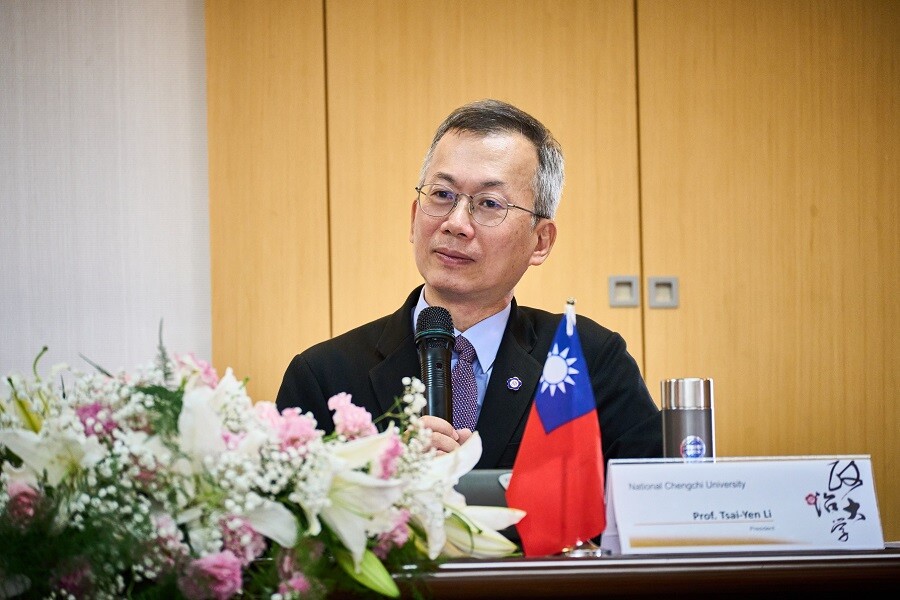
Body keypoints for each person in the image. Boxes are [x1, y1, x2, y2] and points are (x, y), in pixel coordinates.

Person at [276, 99, 662, 468]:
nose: (456, 223)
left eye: (490, 203)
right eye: (442, 195)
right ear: (415, 218)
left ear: (540, 241)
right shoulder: (324, 376)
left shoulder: (589, 362)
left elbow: (653, 505)